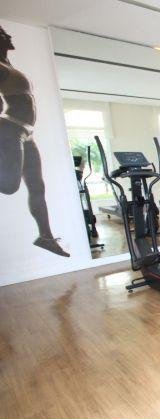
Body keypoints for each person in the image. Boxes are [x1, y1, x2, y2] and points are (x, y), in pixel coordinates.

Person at [0, 25, 69, 257]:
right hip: (10, 130)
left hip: (26, 132)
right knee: (9, 186)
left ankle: (45, 237)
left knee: (37, 186)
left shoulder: (8, 65)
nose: (8, 36)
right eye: (2, 34)